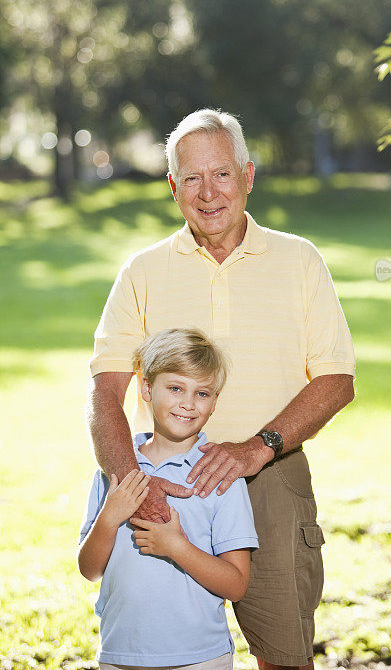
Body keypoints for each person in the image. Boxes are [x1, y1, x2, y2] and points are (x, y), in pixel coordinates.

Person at [87, 108, 356, 670]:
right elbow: (105, 393)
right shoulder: (142, 269)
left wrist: (256, 448)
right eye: (191, 178)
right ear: (172, 186)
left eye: (223, 174)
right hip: (163, 483)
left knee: (284, 655)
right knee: (158, 652)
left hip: (271, 477)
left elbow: (336, 379)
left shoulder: (299, 260)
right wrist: (137, 486)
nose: (208, 192)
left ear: (249, 176)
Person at [79, 327, 258, 670]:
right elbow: (90, 570)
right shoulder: (114, 469)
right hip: (120, 653)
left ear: (215, 402)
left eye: (202, 393)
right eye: (175, 388)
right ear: (146, 388)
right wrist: (110, 516)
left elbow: (236, 585)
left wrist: (177, 546)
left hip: (200, 658)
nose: (188, 403)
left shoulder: (219, 476)